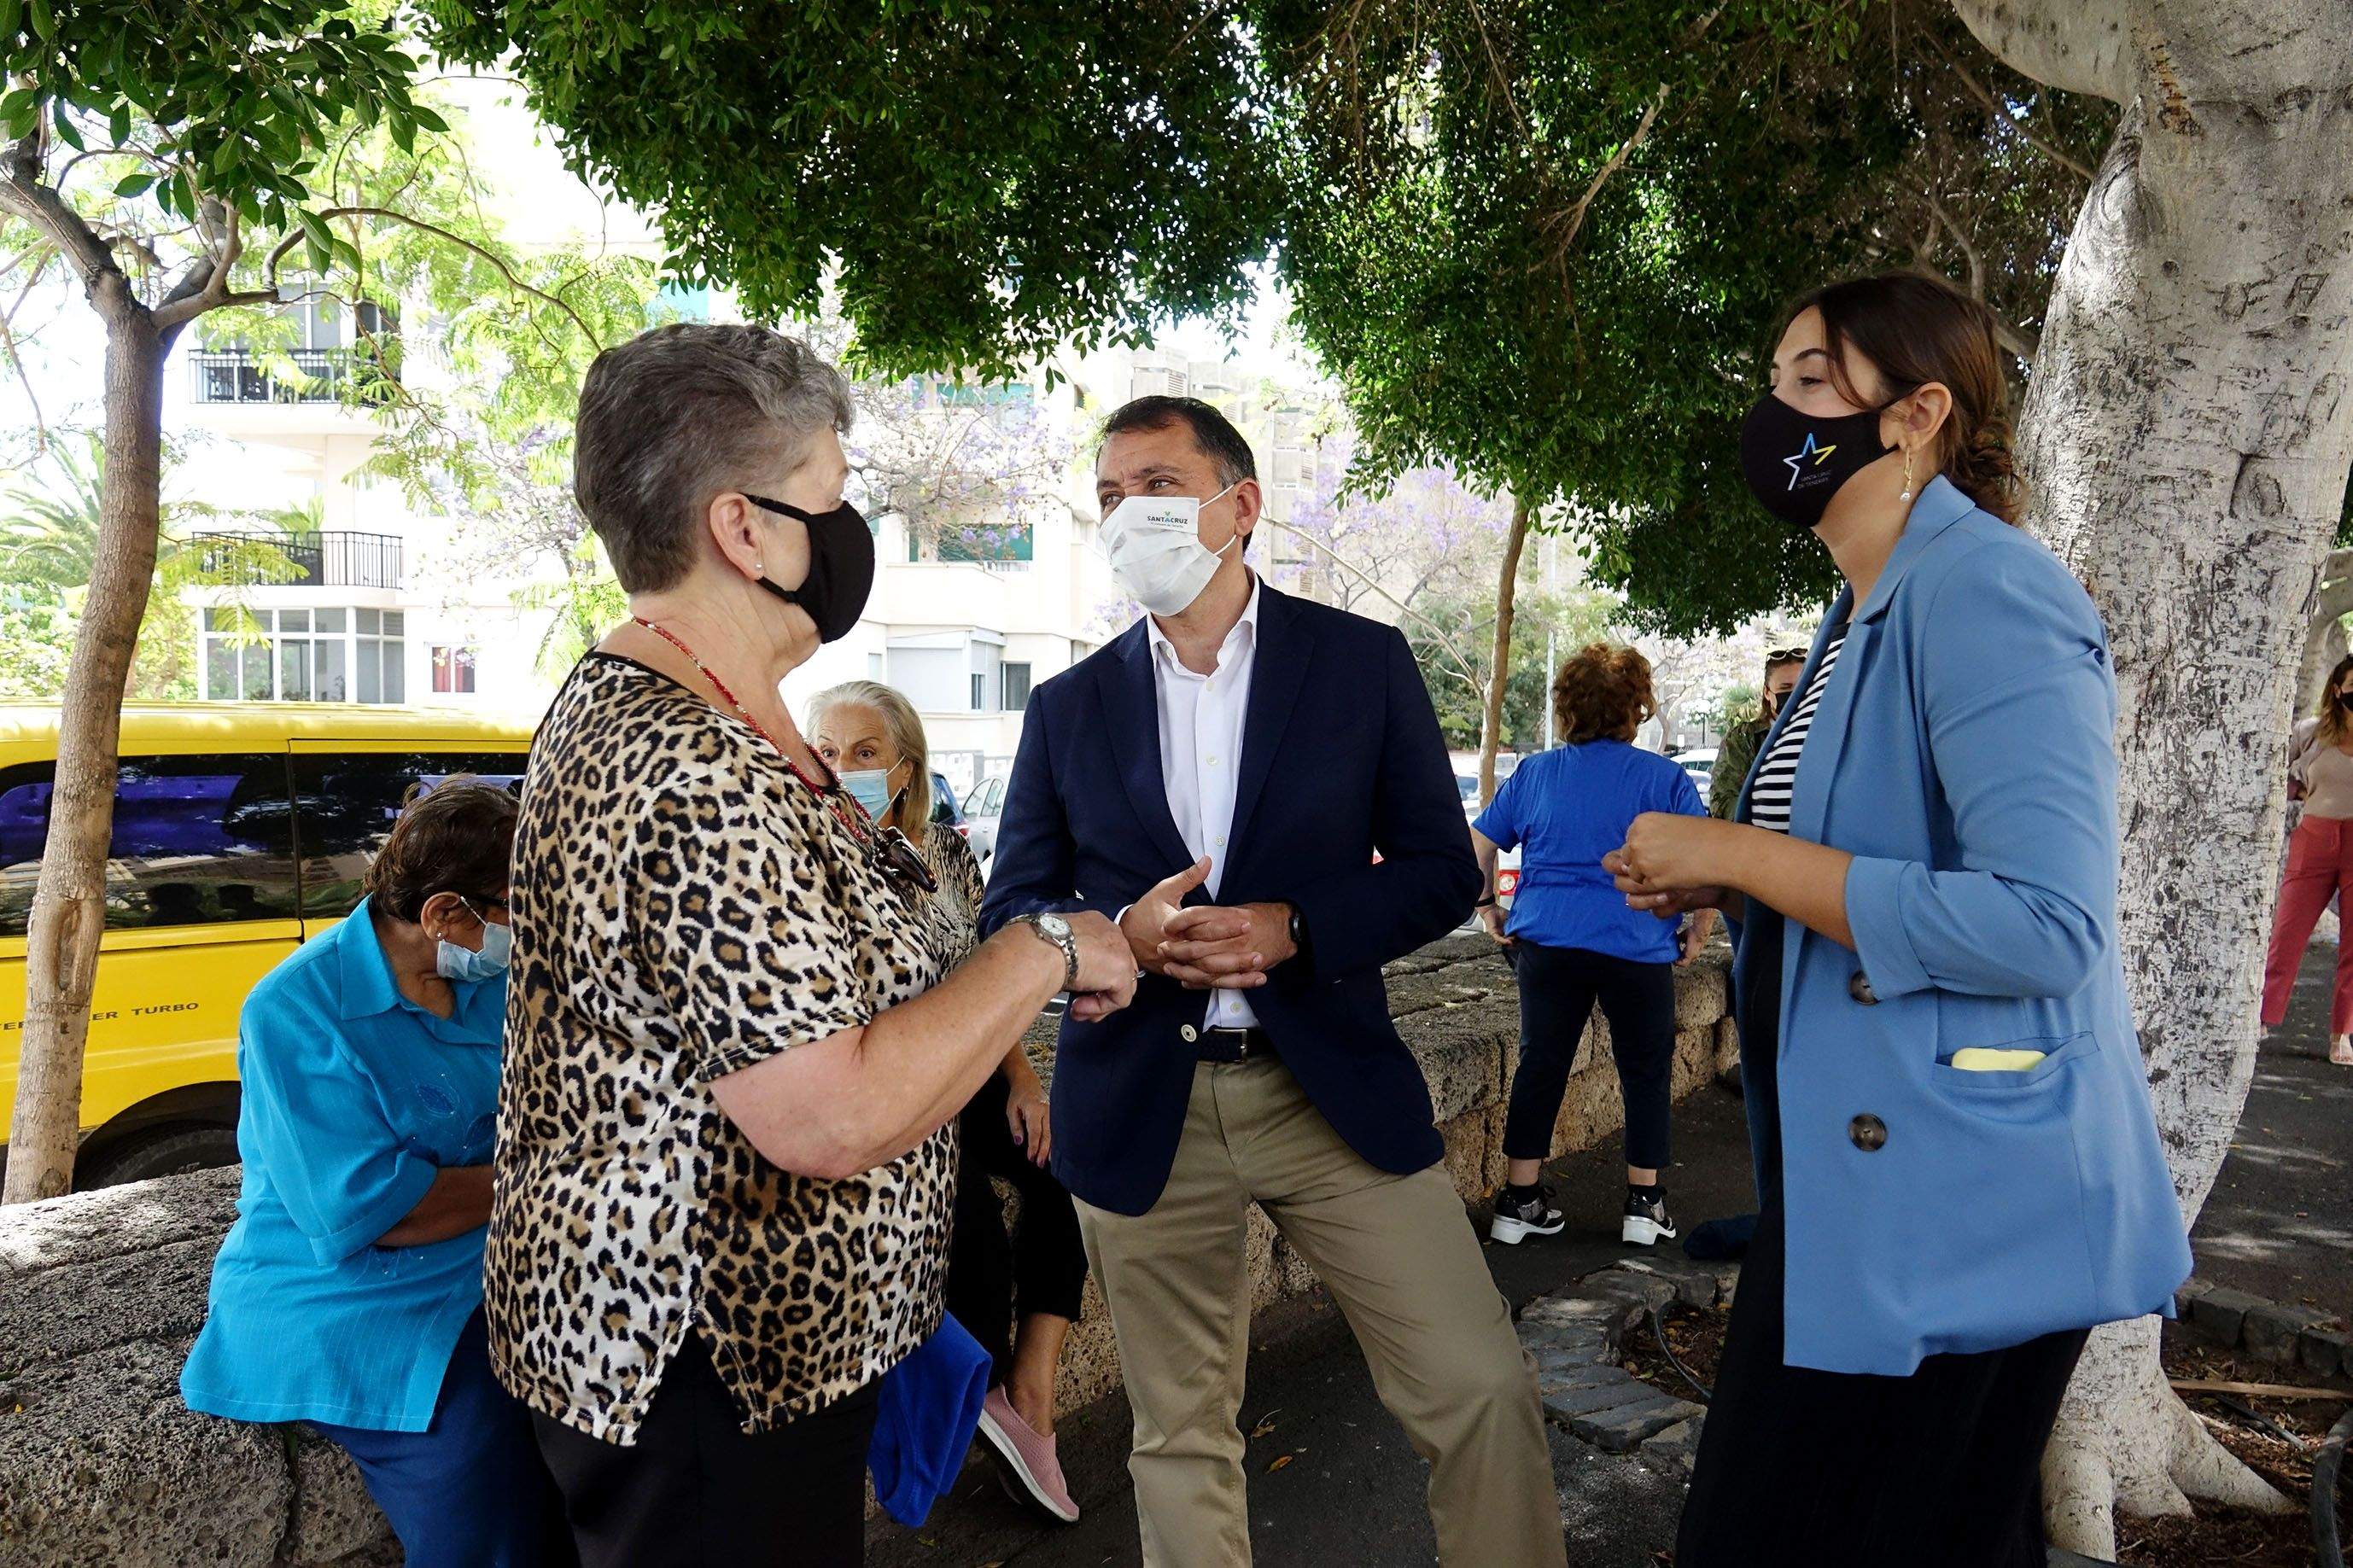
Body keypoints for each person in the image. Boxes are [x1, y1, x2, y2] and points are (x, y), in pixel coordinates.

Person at [486, 323, 1135, 1568]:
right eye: (831, 503)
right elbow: (824, 1114)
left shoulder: (732, 711)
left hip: (773, 1364)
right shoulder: (685, 760)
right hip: (701, 1371)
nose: (851, 540)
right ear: (743, 529)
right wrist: (1046, 948)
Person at [1603, 272, 2191, 1567]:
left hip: (1963, 1192)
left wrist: (1746, 853)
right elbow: (1859, 855)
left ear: (1919, 413)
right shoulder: (1860, 607)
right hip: (1866, 1182)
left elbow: (2046, 923)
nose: (1776, 415)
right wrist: (1734, 877)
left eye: (1811, 383)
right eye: (1775, 386)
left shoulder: (1987, 589)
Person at [982, 394, 1567, 1568]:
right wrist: (1122, 940)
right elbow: (1013, 909)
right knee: (1179, 1438)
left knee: (1479, 1385)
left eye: (1152, 485)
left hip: (1327, 1091)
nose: (1124, 516)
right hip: (1143, 1103)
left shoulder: (1360, 664)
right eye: (1106, 498)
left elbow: (1438, 870)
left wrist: (1297, 924)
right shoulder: (1066, 705)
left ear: (1237, 506)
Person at [181, 781, 569, 1568]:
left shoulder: (490, 980)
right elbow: (375, 1212)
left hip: (489, 1257)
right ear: (444, 916)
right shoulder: (297, 1007)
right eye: (517, 905)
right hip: (352, 1293)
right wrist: (538, 1176)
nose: (531, 926)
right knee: (482, 1468)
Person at [808, 679, 1089, 1522]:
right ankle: (981, 1413)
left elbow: (979, 978)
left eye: (863, 753)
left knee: (1060, 1165)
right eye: (825, 750)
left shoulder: (942, 854)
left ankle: (1028, 1393)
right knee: (966, 1227)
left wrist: (1022, 1079)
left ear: (904, 768)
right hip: (879, 1091)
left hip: (959, 1071)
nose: (842, 767)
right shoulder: (799, 856)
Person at [1474, 643, 1716, 1249]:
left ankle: (1518, 1199)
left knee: (1541, 1062)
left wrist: (1486, 907)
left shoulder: (1536, 772)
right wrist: (1699, 927)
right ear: (1635, 707)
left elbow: (1479, 843)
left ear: (1567, 707)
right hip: (1635, 939)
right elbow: (1708, 859)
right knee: (1644, 1068)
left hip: (1547, 939)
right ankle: (1644, 1203)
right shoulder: (1664, 778)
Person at [2264, 654, 2353, 1064]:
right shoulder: (2312, 733)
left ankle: (2341, 1035)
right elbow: (2265, 768)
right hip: (2314, 837)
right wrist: (2297, 792)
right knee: (2287, 931)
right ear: (2338, 689)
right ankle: (2262, 1017)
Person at [1708, 647, 1808, 819]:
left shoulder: (1826, 735)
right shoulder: (1744, 739)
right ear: (1767, 693)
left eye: (1802, 687)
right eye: (1786, 688)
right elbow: (1723, 803)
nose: (1795, 695)